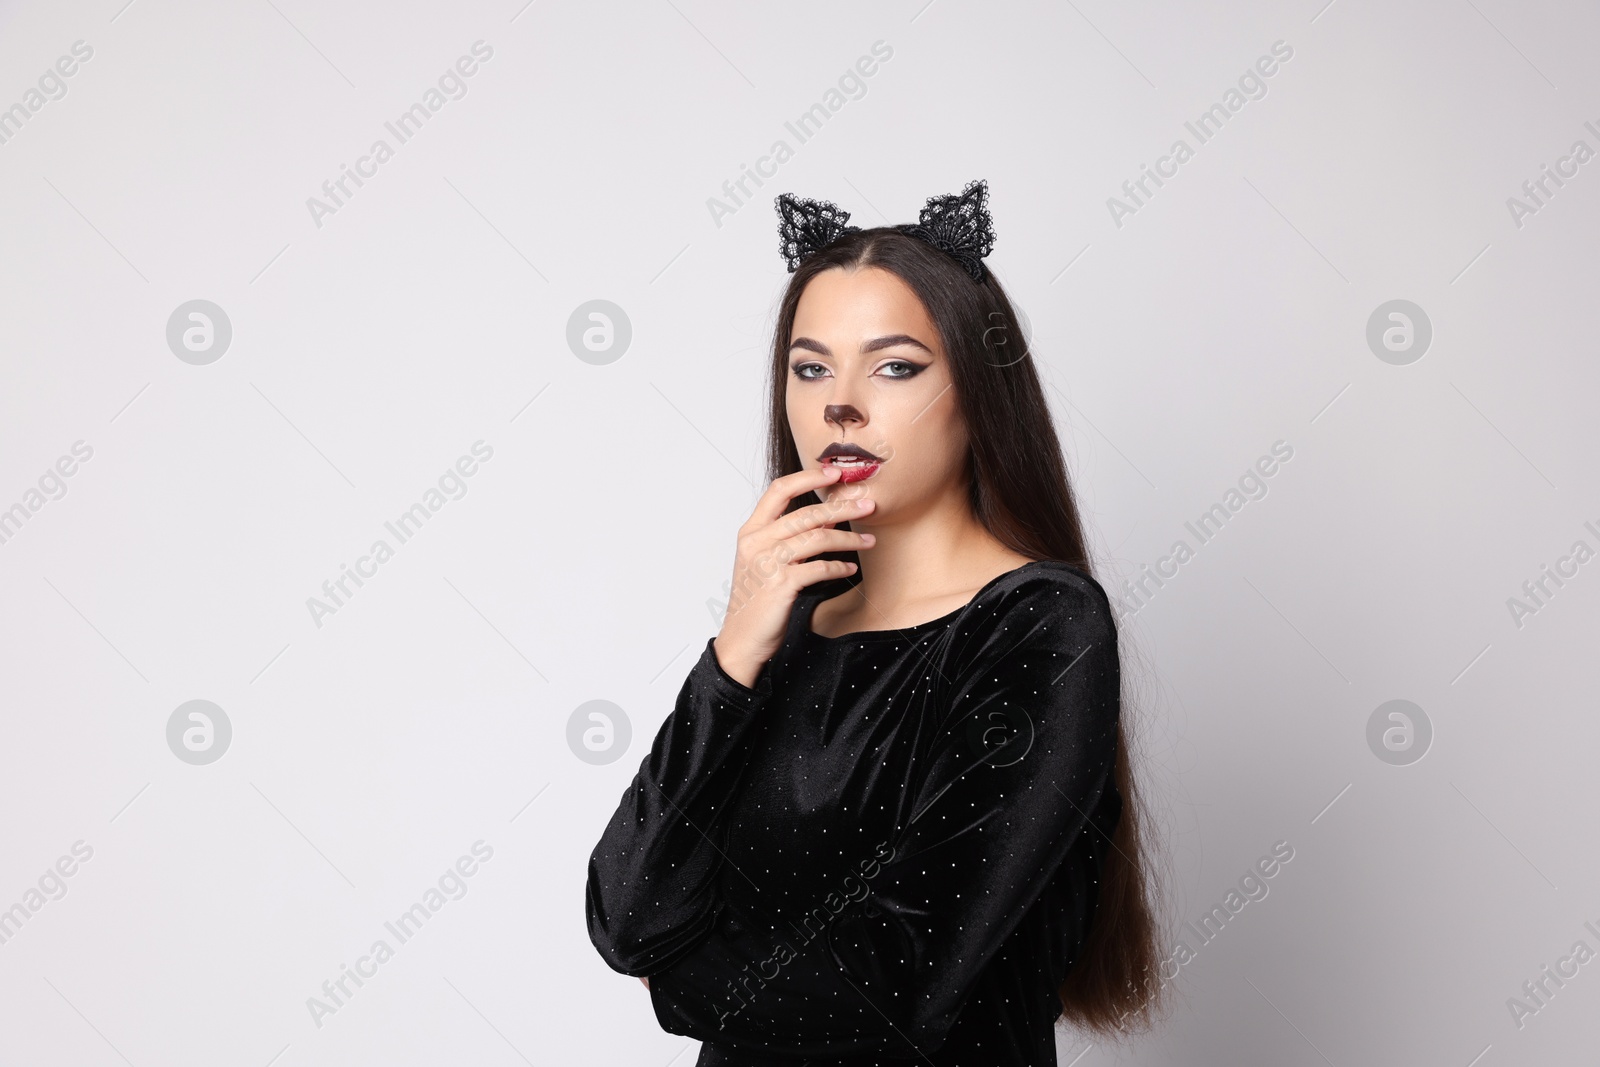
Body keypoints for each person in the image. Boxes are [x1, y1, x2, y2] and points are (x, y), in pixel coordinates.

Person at [586, 180, 1164, 1065]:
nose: (839, 405)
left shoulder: (1042, 625)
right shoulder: (784, 628)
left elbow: (911, 972)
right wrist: (735, 648)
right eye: (810, 367)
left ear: (979, 387)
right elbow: (627, 914)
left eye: (895, 366)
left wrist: (678, 982)